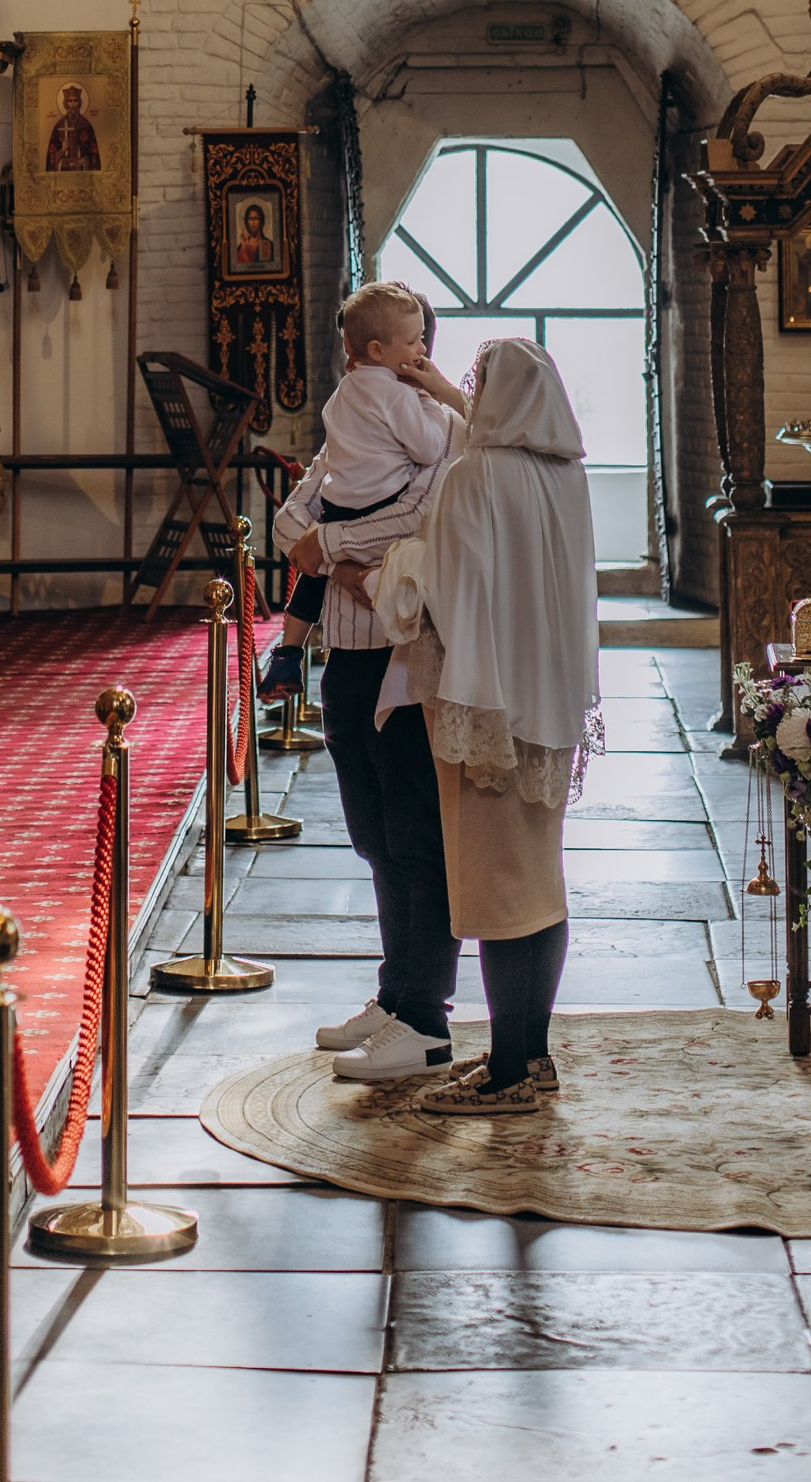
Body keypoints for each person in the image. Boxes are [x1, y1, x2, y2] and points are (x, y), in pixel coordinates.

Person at [371, 334, 601, 1115]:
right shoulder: (568, 478)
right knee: (539, 886)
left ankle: (509, 1073)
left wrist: (398, 565)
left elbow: (445, 593)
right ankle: (530, 1057)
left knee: (501, 894)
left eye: (475, 382)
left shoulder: (472, 479)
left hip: (485, 705)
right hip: (551, 704)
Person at [269, 281, 462, 1084]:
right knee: (372, 837)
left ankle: (428, 1017)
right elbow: (288, 519)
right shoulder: (355, 415)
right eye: (405, 341)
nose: (415, 352)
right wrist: (339, 555)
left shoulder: (444, 432)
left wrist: (332, 549)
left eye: (424, 342)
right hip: (346, 660)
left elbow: (418, 517)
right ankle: (394, 994)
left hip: (404, 658)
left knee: (418, 838)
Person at [261, 290, 438, 690]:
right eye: (414, 340)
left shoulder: (343, 393)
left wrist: (326, 556)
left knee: (311, 575)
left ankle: (288, 652)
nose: (421, 348)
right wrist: (425, 400)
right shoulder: (401, 397)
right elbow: (426, 450)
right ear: (379, 350)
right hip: (380, 510)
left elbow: (306, 536)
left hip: (335, 506)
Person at [45, 83, 102, 170]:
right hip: (63, 171)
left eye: (75, 101)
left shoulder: (86, 124)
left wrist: (84, 160)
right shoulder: (59, 125)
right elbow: (51, 156)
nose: (73, 104)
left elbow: (93, 153)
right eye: (70, 101)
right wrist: (62, 150)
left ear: (79, 103)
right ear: (66, 103)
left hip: (82, 169)